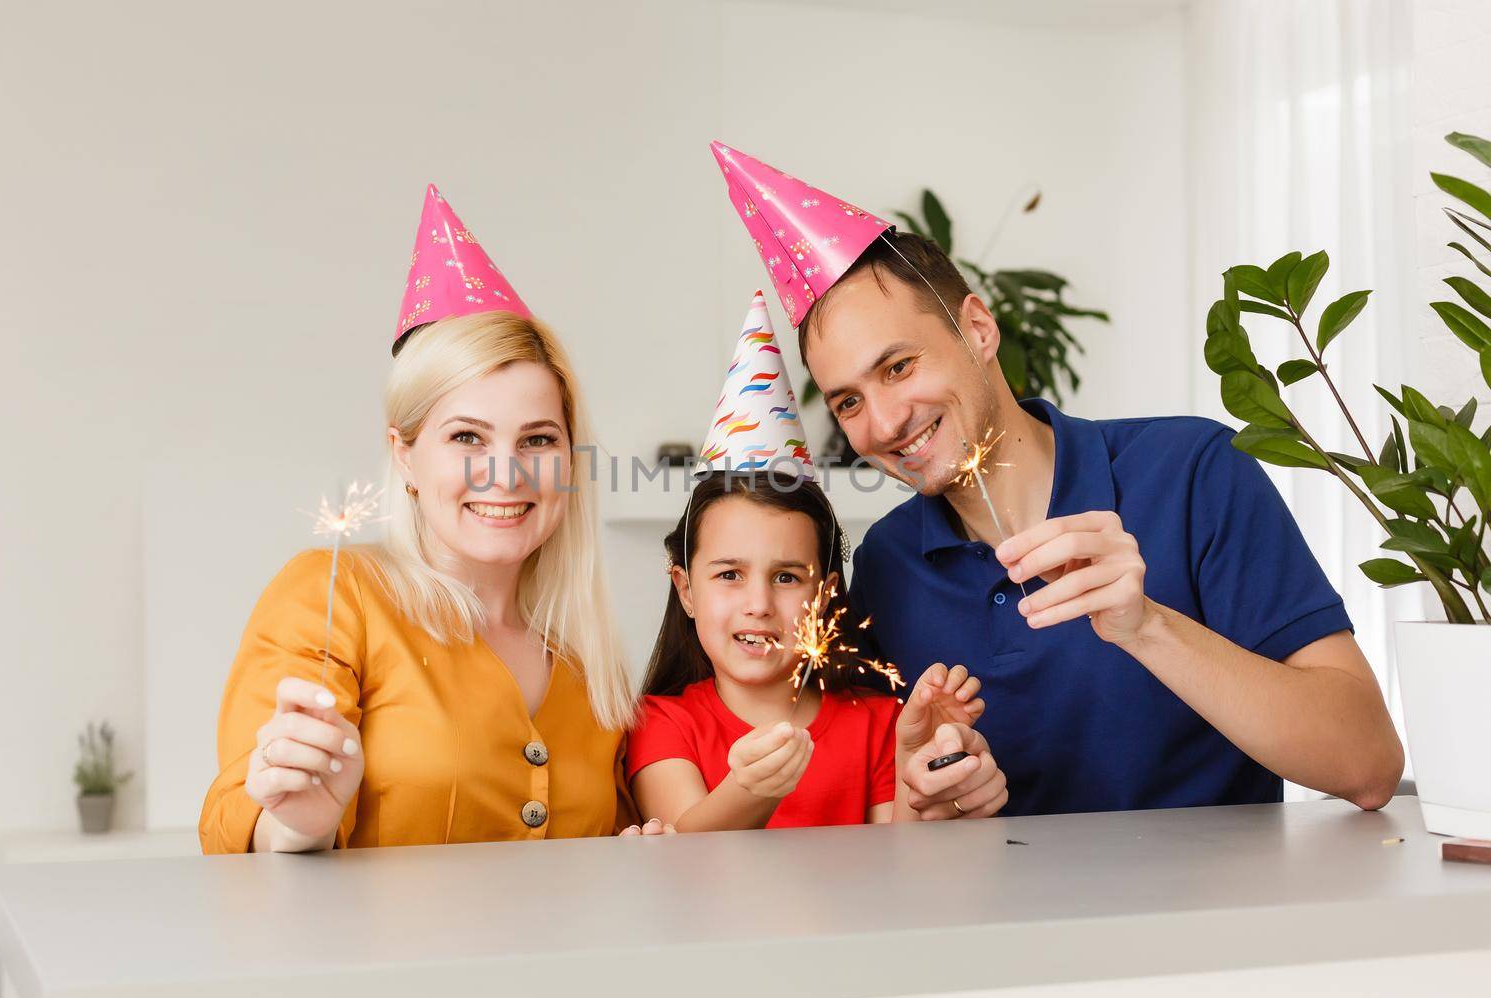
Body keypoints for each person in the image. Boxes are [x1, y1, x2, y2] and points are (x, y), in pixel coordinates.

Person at [708, 142, 1404, 816]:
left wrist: (1148, 626)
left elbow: (1368, 765)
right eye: (848, 401)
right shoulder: (887, 567)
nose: (885, 422)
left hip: (1213, 931)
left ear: (978, 328)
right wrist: (928, 793)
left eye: (899, 367)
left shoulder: (1193, 473)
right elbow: (885, 817)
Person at [199, 185, 645, 852]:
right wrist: (296, 822)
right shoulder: (332, 596)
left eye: (538, 440)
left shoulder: (587, 662)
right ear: (403, 455)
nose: (508, 473)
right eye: (467, 437)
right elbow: (242, 826)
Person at [627, 291, 1001, 830]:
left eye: (785, 577)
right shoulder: (662, 723)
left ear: (824, 595)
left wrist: (918, 758)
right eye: (729, 575)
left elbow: (901, 870)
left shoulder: (877, 724)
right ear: (685, 589)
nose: (758, 604)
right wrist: (750, 791)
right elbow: (684, 858)